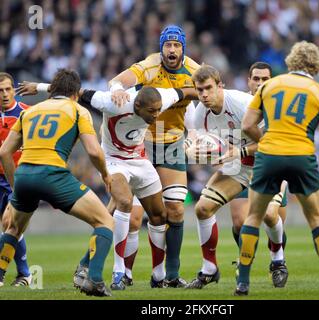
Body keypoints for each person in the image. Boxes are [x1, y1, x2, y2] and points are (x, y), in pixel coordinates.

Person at [17, 81, 196, 289]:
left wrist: (215, 93)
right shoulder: (111, 102)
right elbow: (75, 91)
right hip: (113, 161)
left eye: (158, 110)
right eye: (152, 111)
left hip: (140, 159)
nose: (157, 115)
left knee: (159, 215)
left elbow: (188, 92)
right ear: (137, 107)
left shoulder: (163, 97)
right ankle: (118, 272)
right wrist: (38, 87)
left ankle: (158, 275)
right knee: (124, 201)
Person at [236, 41, 319, 296]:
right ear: (316, 65)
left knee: (253, 217)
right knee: (316, 219)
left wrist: (266, 140)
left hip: (268, 156)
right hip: (302, 157)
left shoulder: (269, 85)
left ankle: (243, 282)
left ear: (291, 61)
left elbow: (247, 124)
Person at [0, 69, 114, 297]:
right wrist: (106, 175)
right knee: (105, 221)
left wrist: (15, 188)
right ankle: (94, 279)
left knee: (13, 227)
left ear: (52, 90)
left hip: (24, 175)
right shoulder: (78, 110)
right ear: (74, 93)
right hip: (53, 175)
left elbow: (4, 152)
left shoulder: (31, 111)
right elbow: (94, 151)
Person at [109, 25, 200, 287]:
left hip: (172, 144)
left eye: (177, 45)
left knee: (176, 211)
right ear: (161, 47)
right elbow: (118, 80)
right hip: (143, 144)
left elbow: (206, 97)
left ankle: (167, 276)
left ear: (183, 48)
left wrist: (194, 133)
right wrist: (116, 88)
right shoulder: (149, 66)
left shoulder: (194, 72)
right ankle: (124, 273)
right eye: (167, 45)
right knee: (134, 216)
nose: (172, 50)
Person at [184, 65, 288, 289]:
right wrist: (203, 153)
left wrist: (234, 152)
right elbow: (214, 150)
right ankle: (209, 269)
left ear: (220, 86)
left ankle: (278, 260)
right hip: (239, 166)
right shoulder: (200, 114)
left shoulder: (242, 104)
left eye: (208, 88)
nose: (204, 95)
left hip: (269, 163)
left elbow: (270, 143)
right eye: (199, 90)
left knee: (270, 214)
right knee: (202, 208)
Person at [0, 72, 31, 287]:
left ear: (14, 90)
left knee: (9, 223)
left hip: (18, 179)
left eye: (8, 89)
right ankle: (24, 274)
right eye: (0, 90)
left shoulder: (28, 114)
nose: (4, 94)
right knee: (11, 227)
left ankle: (23, 274)